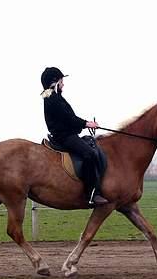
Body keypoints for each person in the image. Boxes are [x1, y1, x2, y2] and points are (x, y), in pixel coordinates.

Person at [41, 67, 108, 206]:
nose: (63, 84)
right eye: (61, 81)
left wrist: (84, 124)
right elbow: (69, 118)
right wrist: (87, 124)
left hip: (66, 134)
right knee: (90, 154)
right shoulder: (53, 99)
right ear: (55, 82)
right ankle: (91, 194)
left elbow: (69, 118)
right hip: (64, 136)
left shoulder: (55, 97)